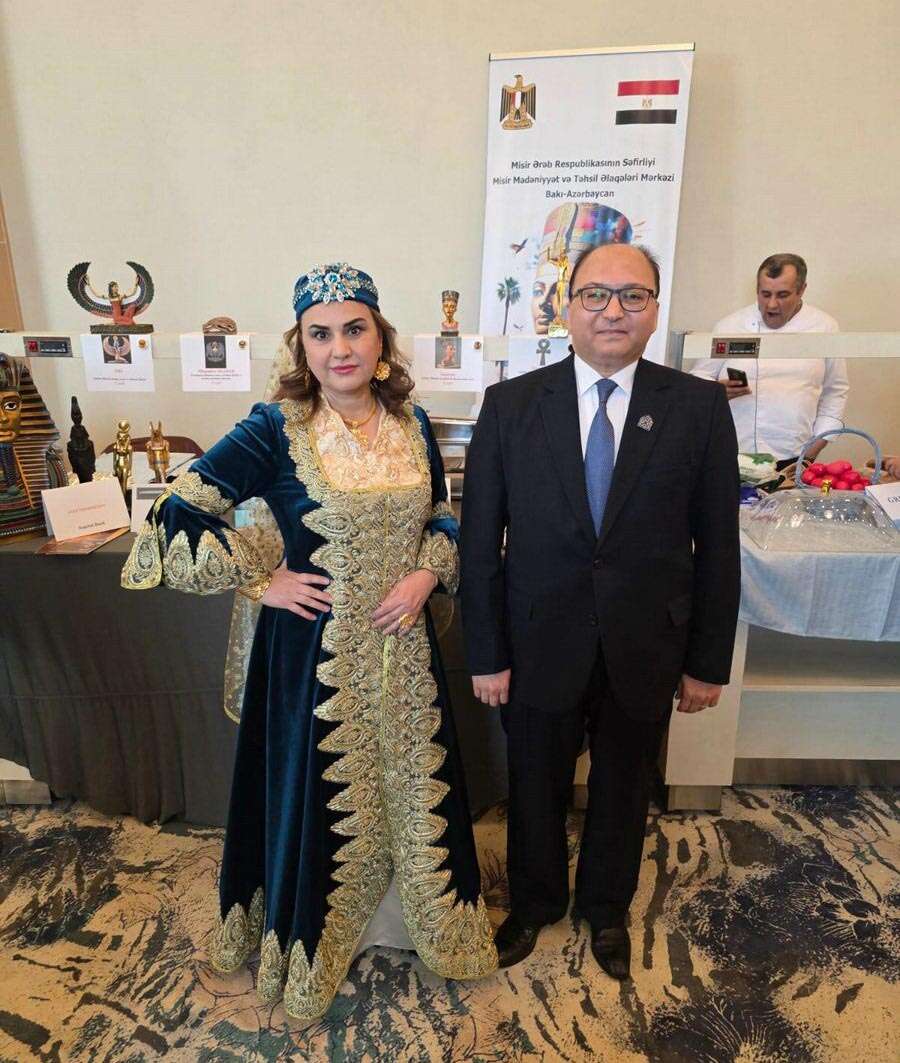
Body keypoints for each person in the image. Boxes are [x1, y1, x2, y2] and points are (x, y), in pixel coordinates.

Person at [122, 263, 497, 1024]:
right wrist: (262, 581)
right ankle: (321, 938)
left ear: (380, 340)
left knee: (415, 783)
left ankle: (410, 925)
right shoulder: (275, 429)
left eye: (354, 329)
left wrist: (426, 576)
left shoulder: (413, 425)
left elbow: (441, 516)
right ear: (302, 346)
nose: (340, 348)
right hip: (313, 662)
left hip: (406, 655)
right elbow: (176, 511)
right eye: (320, 334)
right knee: (320, 792)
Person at [460, 244, 740, 981]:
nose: (613, 310)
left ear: (654, 308)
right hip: (536, 640)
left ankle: (606, 909)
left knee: (624, 785)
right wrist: (486, 652)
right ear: (568, 306)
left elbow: (718, 546)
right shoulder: (511, 405)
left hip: (645, 643)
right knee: (534, 784)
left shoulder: (698, 407)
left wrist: (707, 662)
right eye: (595, 294)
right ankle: (534, 902)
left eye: (632, 295)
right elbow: (479, 543)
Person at [690, 253, 848, 465]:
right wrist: (714, 392)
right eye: (765, 294)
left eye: (783, 295)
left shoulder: (825, 328)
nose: (772, 305)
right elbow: (699, 377)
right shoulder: (730, 326)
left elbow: (836, 390)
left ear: (801, 290)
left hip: (795, 456)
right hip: (731, 453)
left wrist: (815, 447)